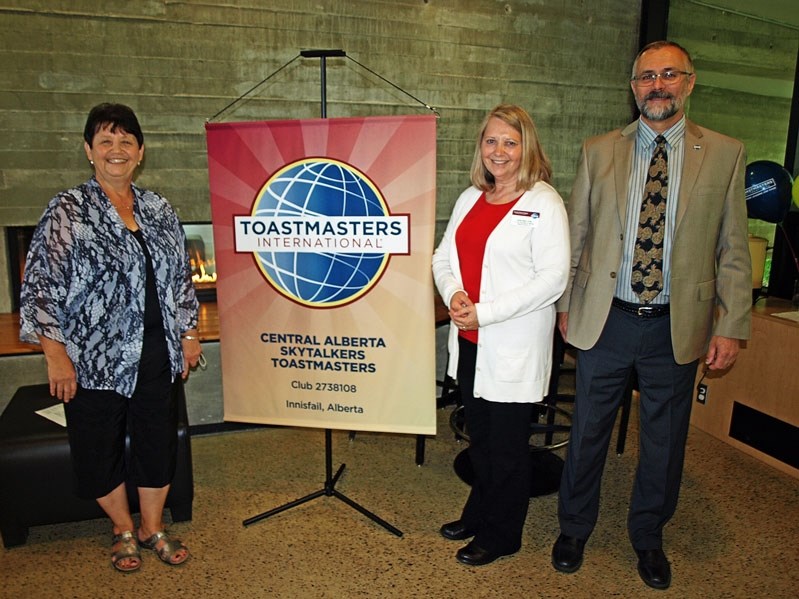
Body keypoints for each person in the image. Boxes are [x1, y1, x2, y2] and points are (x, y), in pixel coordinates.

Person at [552, 41, 752, 590]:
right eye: (646, 77)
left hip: (675, 324)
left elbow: (733, 249)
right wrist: (566, 304)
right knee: (588, 429)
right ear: (633, 86)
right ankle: (573, 527)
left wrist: (731, 324)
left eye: (668, 75)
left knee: (664, 439)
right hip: (606, 317)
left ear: (689, 82)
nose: (656, 85)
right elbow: (578, 234)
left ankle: (648, 536)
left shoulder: (727, 153)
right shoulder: (599, 150)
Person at [19, 103, 202, 572]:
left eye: (126, 141)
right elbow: (41, 284)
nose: (116, 150)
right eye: (105, 141)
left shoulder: (159, 208)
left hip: (156, 352)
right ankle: (122, 528)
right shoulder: (67, 210)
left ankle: (152, 526)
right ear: (89, 151)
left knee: (157, 441)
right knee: (97, 445)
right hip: (91, 358)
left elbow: (180, 276)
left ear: (140, 152)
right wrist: (55, 356)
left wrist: (188, 332)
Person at [432, 104, 570, 566]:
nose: (499, 151)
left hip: (512, 347)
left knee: (508, 449)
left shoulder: (544, 203)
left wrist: (484, 313)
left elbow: (553, 279)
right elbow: (442, 257)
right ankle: (479, 512)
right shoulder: (471, 197)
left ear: (526, 147)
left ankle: (504, 533)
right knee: (482, 441)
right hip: (470, 344)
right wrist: (453, 293)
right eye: (491, 141)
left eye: (510, 142)